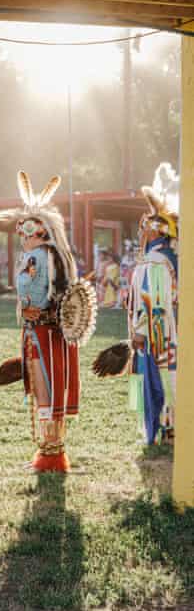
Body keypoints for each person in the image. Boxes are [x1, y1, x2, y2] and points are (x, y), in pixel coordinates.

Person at [0, 172, 96, 473]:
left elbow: (32, 293)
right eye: (21, 230)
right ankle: (52, 450)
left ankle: (50, 454)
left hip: (41, 332)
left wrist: (28, 308)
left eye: (25, 229)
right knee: (52, 388)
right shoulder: (58, 254)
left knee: (44, 391)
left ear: (39, 230)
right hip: (56, 334)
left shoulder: (37, 257)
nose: (22, 236)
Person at [128, 164, 179, 445]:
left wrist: (140, 332)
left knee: (160, 377)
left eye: (144, 227)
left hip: (157, 334)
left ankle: (165, 429)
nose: (141, 232)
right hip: (166, 332)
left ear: (156, 231)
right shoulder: (168, 258)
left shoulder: (156, 261)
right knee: (167, 375)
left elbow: (154, 302)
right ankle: (168, 428)